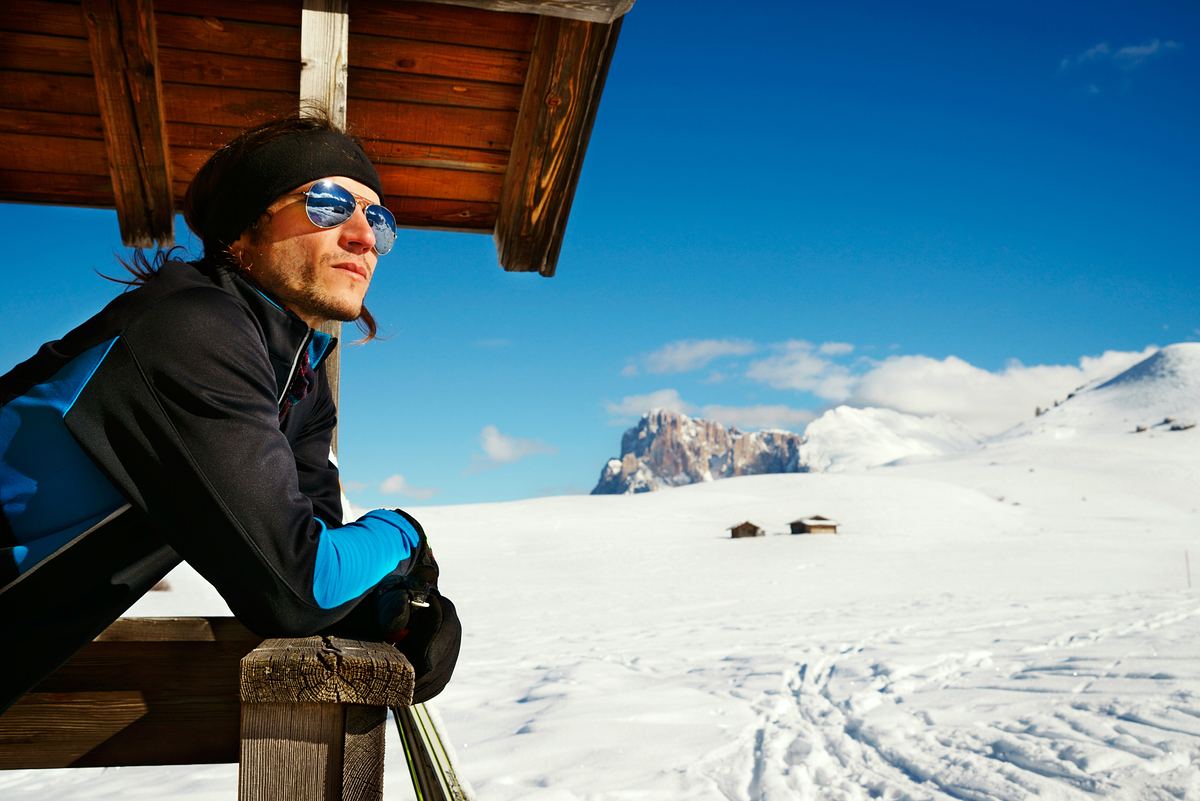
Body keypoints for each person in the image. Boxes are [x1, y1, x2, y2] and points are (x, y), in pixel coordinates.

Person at [0, 115, 458, 710]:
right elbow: (300, 585)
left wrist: (393, 605)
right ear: (244, 228)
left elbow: (309, 554)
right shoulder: (190, 329)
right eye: (327, 204)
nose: (363, 236)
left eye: (378, 219)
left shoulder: (299, 383)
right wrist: (405, 535)